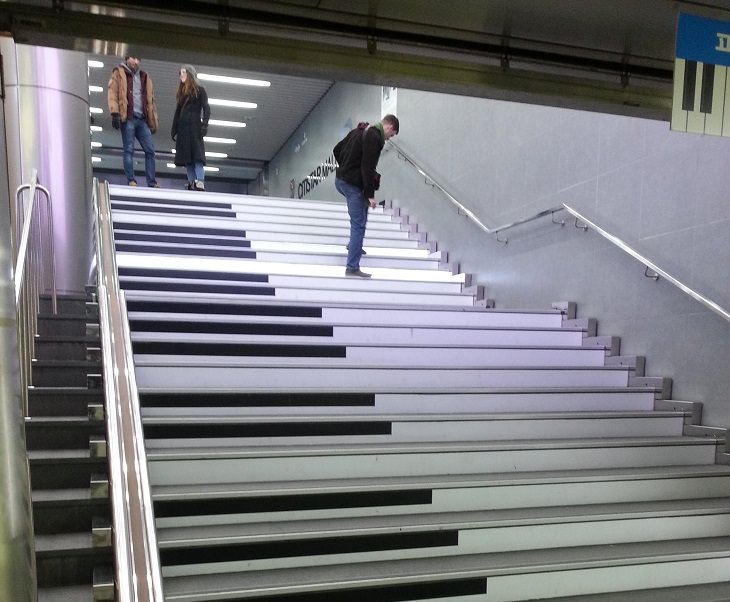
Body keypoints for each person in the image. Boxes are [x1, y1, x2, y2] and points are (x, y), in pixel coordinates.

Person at [333, 114, 399, 278]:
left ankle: (354, 245)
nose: (390, 138)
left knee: (362, 214)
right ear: (389, 127)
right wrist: (370, 195)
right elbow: (367, 167)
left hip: (341, 180)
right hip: (351, 184)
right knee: (358, 224)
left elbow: (336, 150)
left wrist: (346, 167)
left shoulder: (360, 130)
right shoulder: (374, 137)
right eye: (391, 135)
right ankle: (352, 267)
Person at [107, 55, 160, 187]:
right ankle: (131, 179)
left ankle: (151, 181)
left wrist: (153, 119)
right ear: (127, 58)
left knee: (150, 150)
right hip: (128, 117)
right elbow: (112, 92)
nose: (136, 62)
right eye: (133, 58)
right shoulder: (119, 73)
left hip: (142, 119)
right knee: (129, 149)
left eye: (138, 59)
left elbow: (151, 100)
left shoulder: (144, 76)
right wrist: (114, 113)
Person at [171, 65, 211, 191]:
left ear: (190, 74)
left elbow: (206, 108)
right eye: (180, 73)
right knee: (187, 158)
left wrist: (204, 124)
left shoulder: (200, 90)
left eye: (184, 72)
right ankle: (191, 181)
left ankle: (200, 180)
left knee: (197, 156)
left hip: (194, 126)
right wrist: (174, 128)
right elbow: (177, 112)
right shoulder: (181, 93)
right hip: (183, 128)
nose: (181, 75)